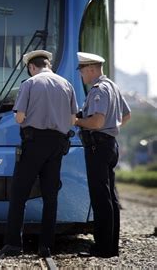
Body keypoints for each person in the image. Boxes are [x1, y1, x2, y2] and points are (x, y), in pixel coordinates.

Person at [0, 50, 78, 258]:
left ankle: (14, 245)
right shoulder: (66, 84)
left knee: (19, 194)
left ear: (32, 67)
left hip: (34, 144)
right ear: (48, 64)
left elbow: (19, 117)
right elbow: (73, 120)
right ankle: (46, 247)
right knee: (51, 197)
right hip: (57, 145)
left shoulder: (29, 84)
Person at [75, 52, 131, 258]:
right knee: (110, 197)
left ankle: (102, 248)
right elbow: (127, 115)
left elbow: (96, 123)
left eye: (81, 70)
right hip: (109, 145)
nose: (81, 75)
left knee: (100, 198)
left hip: (98, 147)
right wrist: (112, 128)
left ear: (90, 69)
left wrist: (76, 121)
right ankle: (110, 247)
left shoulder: (99, 89)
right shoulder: (113, 87)